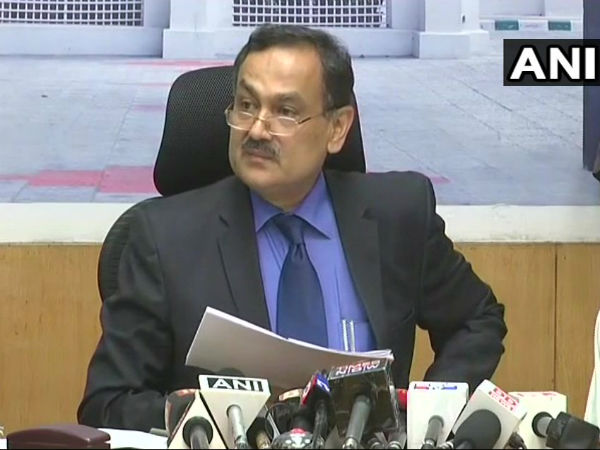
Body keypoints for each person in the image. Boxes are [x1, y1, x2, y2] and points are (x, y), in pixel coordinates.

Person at [78, 24, 507, 431]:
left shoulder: (398, 213)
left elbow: (477, 319)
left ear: (337, 128)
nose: (256, 129)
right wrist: (204, 416)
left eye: (285, 112)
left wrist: (425, 416)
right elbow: (108, 402)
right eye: (246, 106)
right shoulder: (164, 237)